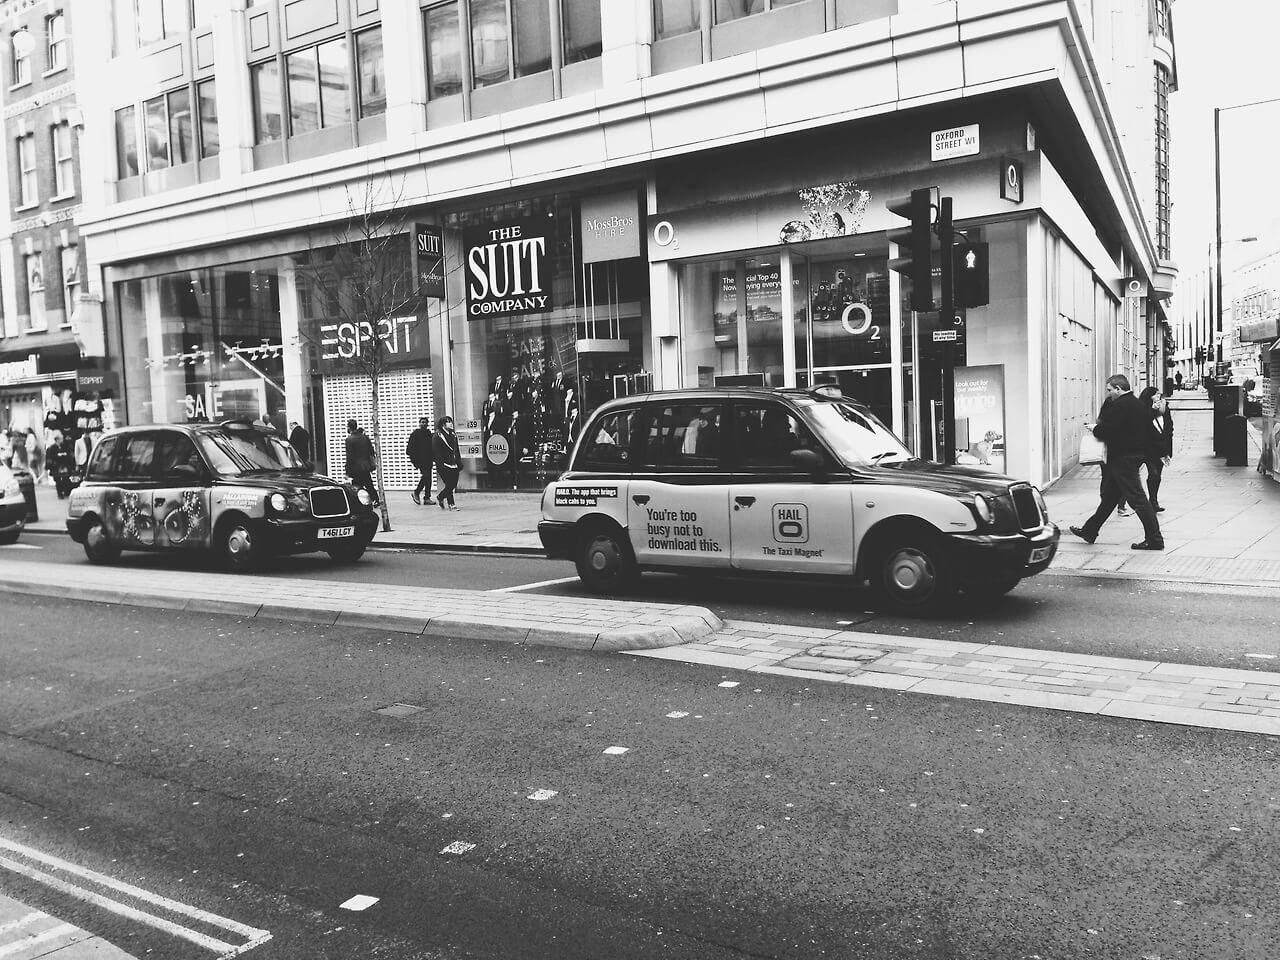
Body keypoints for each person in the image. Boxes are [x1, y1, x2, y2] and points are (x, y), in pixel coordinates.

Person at [1069, 374, 1164, 550]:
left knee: (1138, 499)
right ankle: (1090, 530)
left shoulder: (1119, 406)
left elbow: (1108, 431)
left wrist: (1095, 429)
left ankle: (1155, 539)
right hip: (1133, 457)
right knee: (1110, 498)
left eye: (1110, 390)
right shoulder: (1137, 404)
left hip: (1122, 459)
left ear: (1118, 388)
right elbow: (1148, 430)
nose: (1109, 393)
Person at [1139, 385, 1173, 513]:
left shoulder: (1165, 408)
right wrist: (1153, 411)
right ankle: (1151, 501)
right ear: (1148, 396)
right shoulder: (1143, 409)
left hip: (1162, 448)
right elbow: (1143, 424)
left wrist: (1168, 447)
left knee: (1157, 476)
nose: (1158, 396)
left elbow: (1169, 427)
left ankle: (1153, 500)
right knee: (1153, 474)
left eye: (1159, 394)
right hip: (1149, 449)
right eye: (1155, 394)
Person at [344, 419, 378, 506]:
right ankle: (376, 499)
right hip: (365, 466)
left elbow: (350, 457)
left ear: (349, 427)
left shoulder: (349, 440)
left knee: (356, 488)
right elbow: (371, 451)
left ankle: (359, 503)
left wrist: (347, 472)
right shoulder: (364, 437)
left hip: (356, 468)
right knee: (369, 485)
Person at [432, 415, 461, 511]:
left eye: (451, 421)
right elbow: (436, 452)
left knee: (453, 484)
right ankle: (451, 504)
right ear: (443, 424)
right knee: (449, 484)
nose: (450, 423)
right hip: (444, 464)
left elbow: (457, 449)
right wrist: (440, 465)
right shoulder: (437, 436)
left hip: (454, 463)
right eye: (448, 422)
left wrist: (459, 461)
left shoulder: (453, 434)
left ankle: (440, 497)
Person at [406, 416, 436, 506]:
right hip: (420, 460)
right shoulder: (415, 434)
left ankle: (427, 498)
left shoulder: (429, 434)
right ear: (419, 423)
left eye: (425, 422)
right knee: (426, 477)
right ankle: (417, 492)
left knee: (428, 479)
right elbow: (410, 449)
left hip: (428, 460)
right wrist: (415, 460)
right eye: (422, 422)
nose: (424, 424)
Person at [46, 433, 75, 498]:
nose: (62, 440)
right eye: (61, 439)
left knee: (65, 479)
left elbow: (68, 455)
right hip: (56, 466)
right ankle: (59, 493)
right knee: (58, 480)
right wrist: (58, 456)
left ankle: (66, 491)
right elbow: (51, 457)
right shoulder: (52, 448)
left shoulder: (64, 446)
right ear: (57, 440)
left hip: (64, 465)